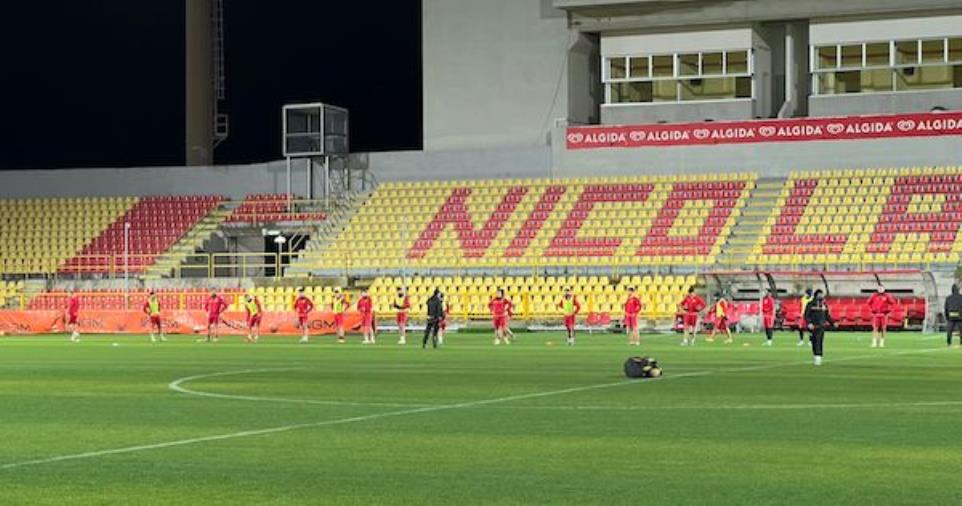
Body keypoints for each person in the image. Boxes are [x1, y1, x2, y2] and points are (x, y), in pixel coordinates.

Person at [804, 289, 835, 366]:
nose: (822, 296)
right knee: (814, 341)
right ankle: (815, 355)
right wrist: (809, 323)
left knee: (819, 340)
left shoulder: (824, 305)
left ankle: (818, 356)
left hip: (821, 326)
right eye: (820, 294)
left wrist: (833, 323)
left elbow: (827, 315)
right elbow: (806, 315)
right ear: (817, 295)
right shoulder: (810, 304)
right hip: (812, 326)